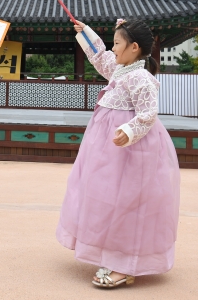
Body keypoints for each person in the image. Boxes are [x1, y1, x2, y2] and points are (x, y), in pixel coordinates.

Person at [56, 18, 180, 288]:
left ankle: (125, 265)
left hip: (133, 150)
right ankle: (111, 254)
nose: (112, 49)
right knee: (105, 196)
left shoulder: (141, 78)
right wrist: (85, 31)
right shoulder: (120, 69)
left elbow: (148, 115)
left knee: (129, 202)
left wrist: (130, 130)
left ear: (134, 47)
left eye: (117, 44)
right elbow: (99, 56)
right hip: (107, 148)